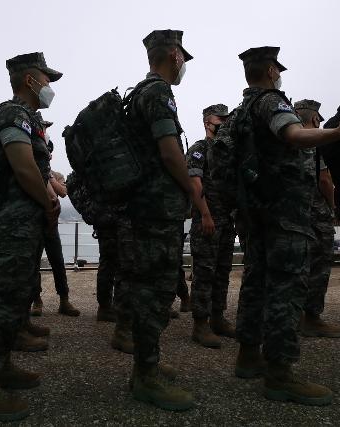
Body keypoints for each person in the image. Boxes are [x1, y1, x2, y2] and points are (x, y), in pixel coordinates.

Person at [232, 46, 340, 406]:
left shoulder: (240, 110)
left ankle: (248, 357)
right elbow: (294, 135)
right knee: (286, 289)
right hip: (284, 214)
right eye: (278, 69)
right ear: (272, 71)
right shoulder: (271, 101)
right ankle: (280, 375)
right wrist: (338, 133)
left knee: (256, 282)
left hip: (257, 212)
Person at [0, 52, 61, 422]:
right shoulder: (12, 114)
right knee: (4, 299)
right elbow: (22, 165)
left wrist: (45, 204)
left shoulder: (29, 119)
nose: (50, 86)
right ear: (30, 80)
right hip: (10, 223)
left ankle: (1, 365)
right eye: (46, 78)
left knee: (14, 297)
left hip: (23, 222)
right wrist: (48, 201)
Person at [114, 29, 196, 411]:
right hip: (156, 210)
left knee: (150, 287)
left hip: (142, 207)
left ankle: (148, 366)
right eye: (183, 58)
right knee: (156, 290)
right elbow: (169, 152)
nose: (183, 66)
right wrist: (193, 191)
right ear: (175, 56)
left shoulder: (137, 93)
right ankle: (145, 376)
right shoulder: (159, 92)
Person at [294, 99, 340, 338]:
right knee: (319, 265)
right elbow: (325, 180)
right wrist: (333, 207)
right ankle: (312, 318)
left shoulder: (284, 142)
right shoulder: (313, 145)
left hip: (291, 215)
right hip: (316, 215)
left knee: (295, 266)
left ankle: (293, 315)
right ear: (315, 119)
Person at [187, 103, 236, 348]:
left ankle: (218, 317)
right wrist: (205, 214)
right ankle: (200, 324)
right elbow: (194, 182)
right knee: (205, 273)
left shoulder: (227, 150)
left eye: (227, 119)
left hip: (227, 221)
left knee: (223, 272)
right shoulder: (199, 149)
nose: (225, 123)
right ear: (208, 122)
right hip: (207, 220)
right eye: (221, 119)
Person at [30, 116, 80, 317]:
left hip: (51, 226)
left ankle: (64, 299)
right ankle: (36, 300)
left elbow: (62, 192)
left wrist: (47, 174)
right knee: (33, 264)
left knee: (58, 261)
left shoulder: (55, 174)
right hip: (34, 223)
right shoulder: (32, 171)